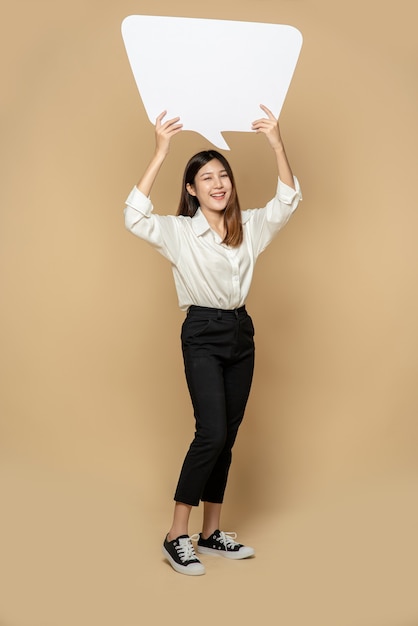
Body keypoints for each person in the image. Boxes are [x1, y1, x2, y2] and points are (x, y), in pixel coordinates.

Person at [124, 105, 302, 576]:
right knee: (212, 432)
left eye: (223, 175)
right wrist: (161, 151)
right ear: (191, 189)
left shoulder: (250, 229)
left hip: (241, 331)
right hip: (202, 331)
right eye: (207, 178)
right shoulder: (180, 232)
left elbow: (288, 201)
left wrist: (277, 143)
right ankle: (175, 534)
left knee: (229, 438)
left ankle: (211, 533)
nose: (218, 184)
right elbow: (133, 217)